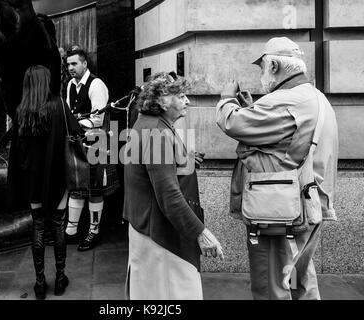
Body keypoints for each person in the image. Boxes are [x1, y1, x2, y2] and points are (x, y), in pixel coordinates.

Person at [215, 37, 339, 300]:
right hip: (307, 208)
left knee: (272, 285)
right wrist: (254, 108)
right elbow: (286, 144)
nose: (261, 74)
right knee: (298, 281)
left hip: (279, 214)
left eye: (262, 67)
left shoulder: (284, 100)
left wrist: (227, 99)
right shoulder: (316, 97)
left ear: (273, 66)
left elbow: (232, 123)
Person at [123, 72, 224, 300]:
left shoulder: (149, 123)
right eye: (181, 95)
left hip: (150, 228)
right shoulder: (157, 132)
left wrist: (183, 159)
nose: (187, 100)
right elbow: (168, 194)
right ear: (162, 101)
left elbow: (155, 170)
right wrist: (201, 232)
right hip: (160, 234)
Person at [13, 65, 69, 300]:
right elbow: (73, 133)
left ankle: (39, 282)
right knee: (57, 225)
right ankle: (59, 278)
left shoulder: (21, 110)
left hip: (32, 178)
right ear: (46, 82)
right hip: (58, 176)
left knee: (38, 226)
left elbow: (17, 151)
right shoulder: (59, 105)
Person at [65, 48, 118, 251]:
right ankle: (71, 230)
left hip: (97, 141)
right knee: (77, 184)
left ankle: (93, 232)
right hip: (78, 141)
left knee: (95, 189)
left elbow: (98, 118)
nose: (70, 68)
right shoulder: (70, 85)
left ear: (85, 64)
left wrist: (75, 124)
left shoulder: (96, 84)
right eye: (68, 64)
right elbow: (70, 113)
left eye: (74, 64)